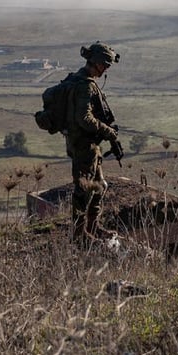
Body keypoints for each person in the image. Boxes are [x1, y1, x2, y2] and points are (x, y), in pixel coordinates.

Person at [65, 41, 122, 247]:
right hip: (83, 146)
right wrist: (108, 132)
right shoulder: (85, 86)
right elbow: (84, 119)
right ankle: (79, 235)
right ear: (96, 62)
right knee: (84, 190)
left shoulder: (80, 80)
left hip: (87, 145)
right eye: (105, 65)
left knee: (99, 186)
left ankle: (91, 227)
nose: (106, 69)